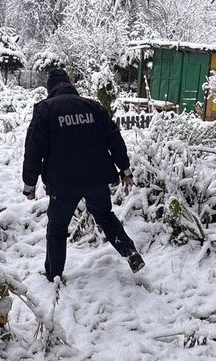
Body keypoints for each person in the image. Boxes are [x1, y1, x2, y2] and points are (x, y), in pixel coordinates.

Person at [22, 68, 145, 282]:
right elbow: (114, 138)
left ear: (50, 88)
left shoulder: (45, 109)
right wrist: (125, 169)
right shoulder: (93, 106)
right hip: (96, 178)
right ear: (70, 84)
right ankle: (130, 252)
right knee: (105, 216)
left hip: (63, 183)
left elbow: (34, 149)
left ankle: (54, 274)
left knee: (57, 228)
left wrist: (29, 184)